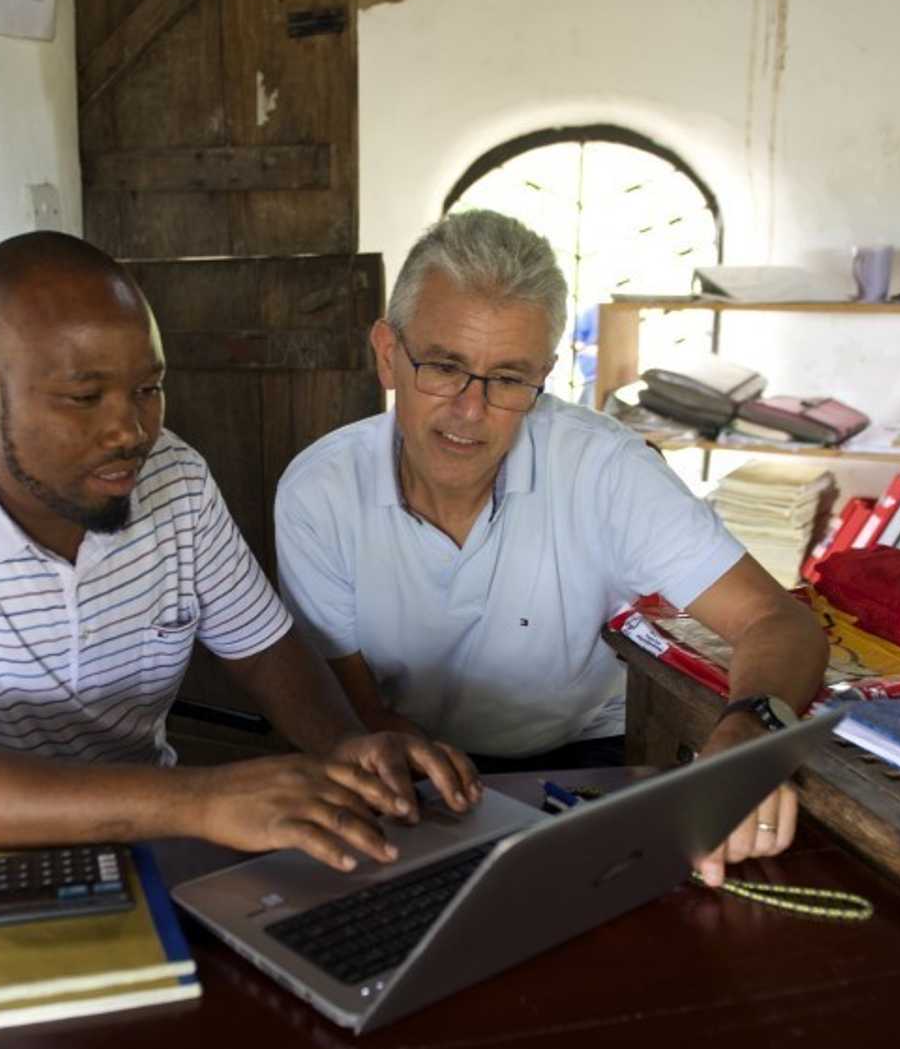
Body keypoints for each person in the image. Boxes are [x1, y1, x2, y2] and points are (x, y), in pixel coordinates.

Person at [0, 232, 480, 875]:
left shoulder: (173, 479)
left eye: (148, 390)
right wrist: (198, 800)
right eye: (84, 397)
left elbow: (269, 654)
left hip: (145, 850)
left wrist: (344, 744)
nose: (130, 431)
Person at [273, 210, 828, 887]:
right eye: (444, 366)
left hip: (593, 758)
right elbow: (352, 709)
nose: (470, 409)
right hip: (414, 768)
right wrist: (415, 781)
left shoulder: (604, 468)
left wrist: (749, 736)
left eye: (508, 378)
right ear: (388, 353)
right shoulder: (319, 493)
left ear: (544, 375)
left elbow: (779, 622)